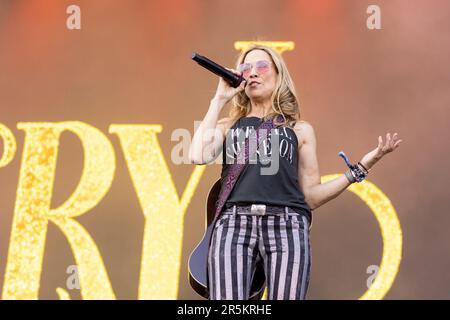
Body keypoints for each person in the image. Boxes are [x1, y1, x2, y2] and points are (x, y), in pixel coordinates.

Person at [188, 45, 402, 300]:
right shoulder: (228, 126)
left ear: (279, 76)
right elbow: (197, 155)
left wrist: (361, 168)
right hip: (234, 223)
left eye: (262, 66)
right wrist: (219, 99)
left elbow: (310, 196)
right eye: (246, 68)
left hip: (287, 225)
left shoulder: (299, 129)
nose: (253, 73)